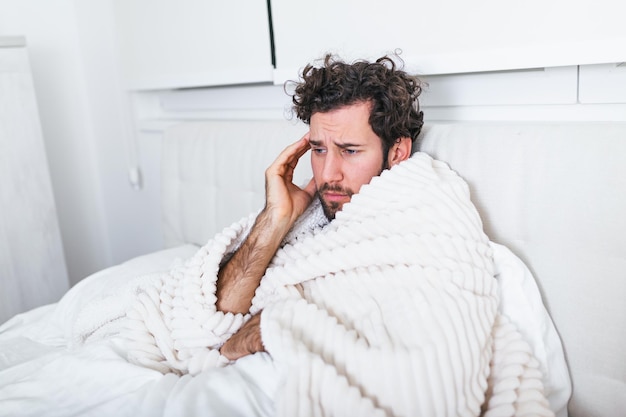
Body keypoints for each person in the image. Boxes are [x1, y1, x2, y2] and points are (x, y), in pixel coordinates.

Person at [217, 53, 425, 361]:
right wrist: (275, 219)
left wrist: (261, 331)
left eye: (350, 151)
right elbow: (215, 318)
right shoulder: (306, 209)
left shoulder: (421, 218)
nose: (327, 174)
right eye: (318, 149)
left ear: (397, 152)